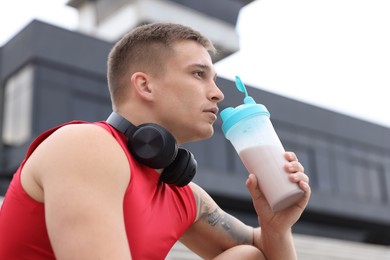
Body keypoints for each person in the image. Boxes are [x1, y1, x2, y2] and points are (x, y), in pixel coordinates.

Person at [0, 22, 310, 259]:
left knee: (250, 256)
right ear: (145, 86)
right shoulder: (85, 145)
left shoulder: (183, 195)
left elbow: (264, 252)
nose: (217, 93)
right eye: (199, 74)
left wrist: (275, 227)